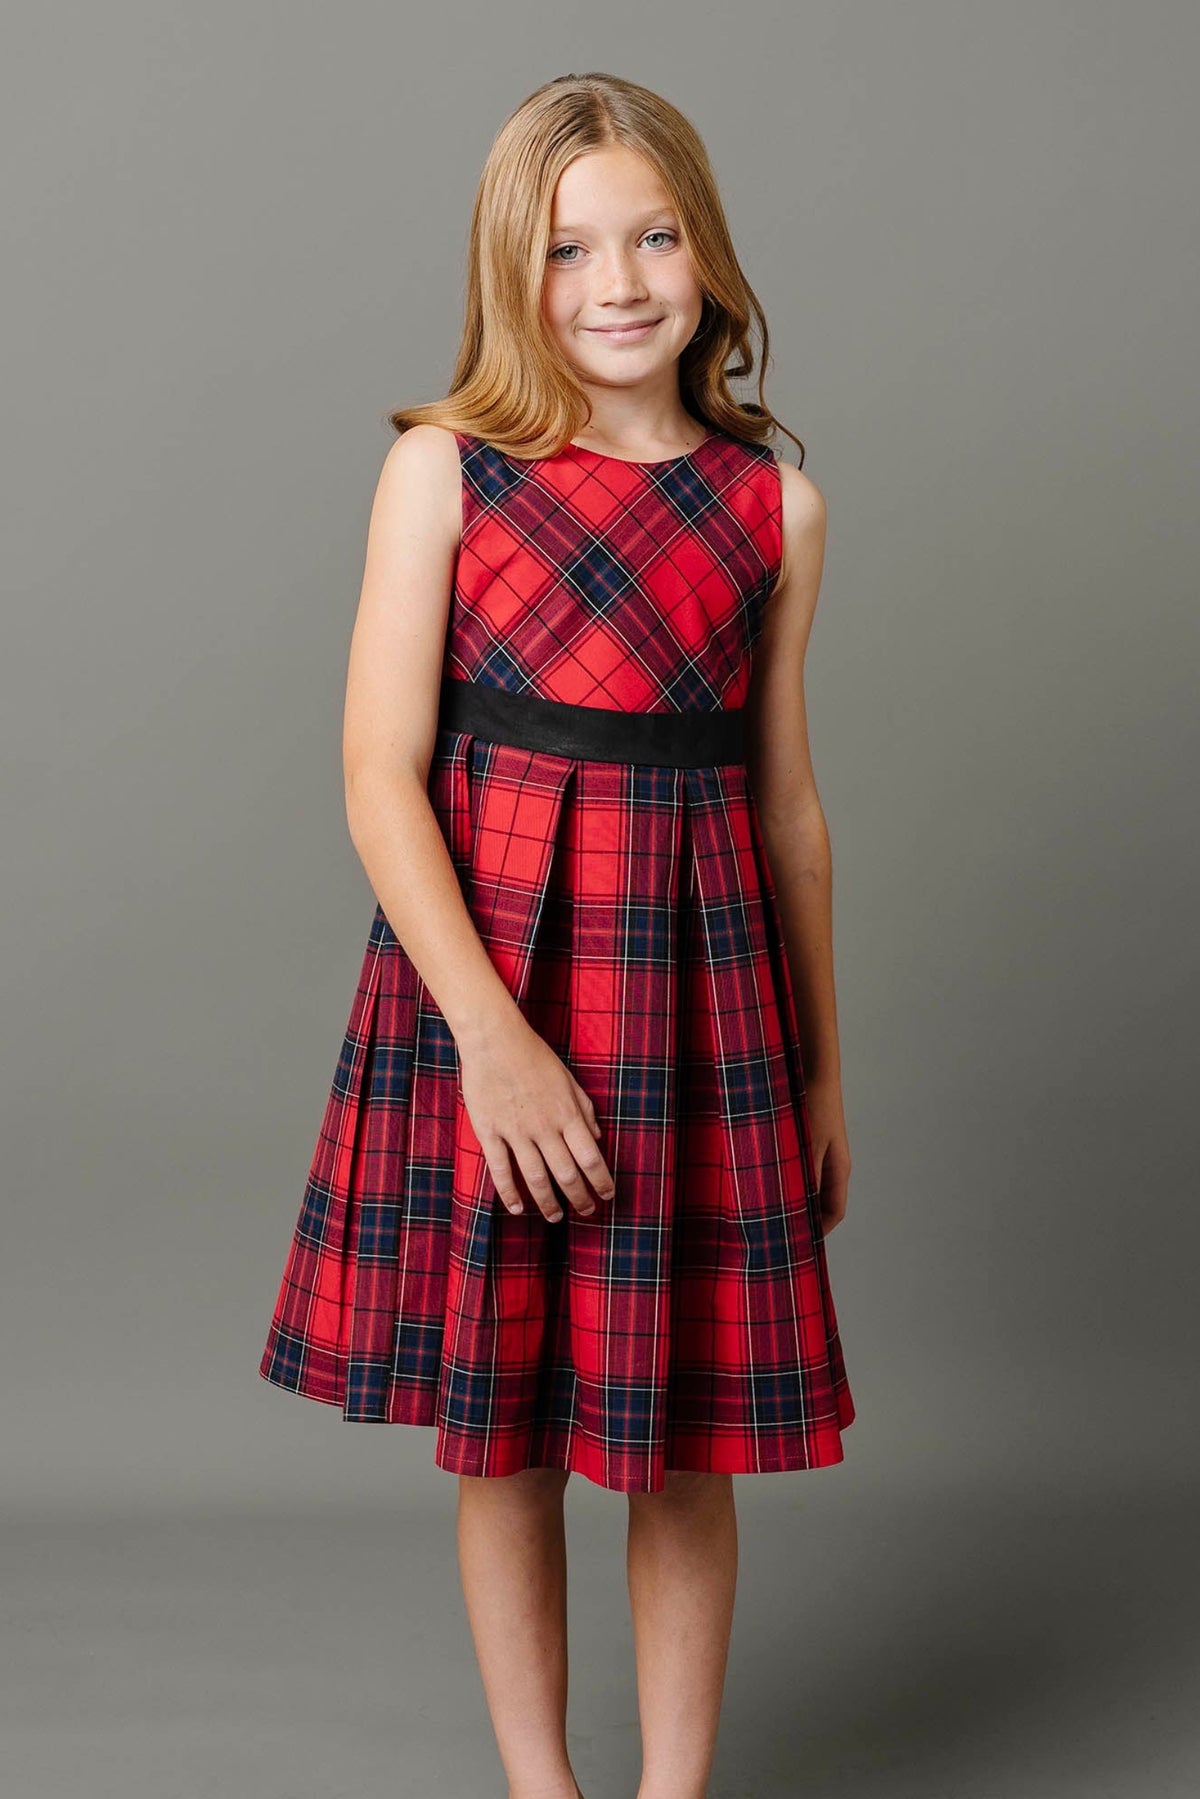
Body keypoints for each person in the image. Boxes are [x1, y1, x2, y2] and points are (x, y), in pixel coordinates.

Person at [258, 70, 856, 1799]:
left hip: (698, 1000)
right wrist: (492, 1042)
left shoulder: (776, 513)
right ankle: (545, 1787)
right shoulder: (446, 474)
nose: (618, 282)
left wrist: (823, 1070)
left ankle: (675, 1793)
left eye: (653, 234)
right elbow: (381, 776)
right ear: (511, 273)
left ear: (708, 254)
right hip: (494, 989)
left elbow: (793, 814)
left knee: (675, 1441)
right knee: (508, 1427)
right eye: (569, 247)